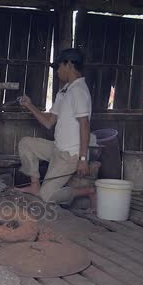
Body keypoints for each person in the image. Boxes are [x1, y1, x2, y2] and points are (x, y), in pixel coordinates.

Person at [16, 48, 96, 211]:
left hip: (69, 156)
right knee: (26, 143)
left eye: (59, 67)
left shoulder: (79, 91)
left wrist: (82, 159)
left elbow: (84, 125)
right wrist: (29, 105)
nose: (58, 71)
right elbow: (48, 122)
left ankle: (88, 191)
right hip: (56, 149)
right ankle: (35, 185)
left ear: (69, 65)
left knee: (45, 198)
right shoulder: (65, 91)